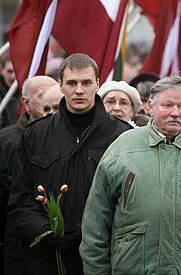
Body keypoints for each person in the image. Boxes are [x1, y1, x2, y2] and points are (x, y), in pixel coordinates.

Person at [80, 76, 181, 275]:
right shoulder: (123, 148)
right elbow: (96, 222)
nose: (175, 113)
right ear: (150, 106)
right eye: (167, 105)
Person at [6, 54, 131, 275]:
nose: (79, 90)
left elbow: (128, 201)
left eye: (86, 82)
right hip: (45, 259)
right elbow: (21, 198)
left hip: (100, 257)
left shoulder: (122, 135)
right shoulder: (35, 135)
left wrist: (86, 233)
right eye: (72, 83)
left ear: (98, 84)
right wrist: (46, 232)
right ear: (61, 86)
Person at [0, 75, 61, 275]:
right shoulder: (7, 141)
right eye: (46, 104)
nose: (52, 113)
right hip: (16, 244)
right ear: (26, 103)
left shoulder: (70, 140)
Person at [0, 55, 19, 129]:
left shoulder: (24, 91)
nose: (13, 76)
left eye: (16, 71)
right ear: (1, 70)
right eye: (9, 71)